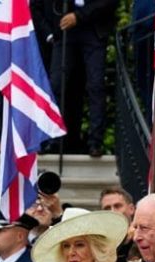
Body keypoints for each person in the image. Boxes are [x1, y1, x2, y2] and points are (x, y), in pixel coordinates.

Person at [44, 0, 115, 157]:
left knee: (95, 86)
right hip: (65, 29)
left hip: (94, 28)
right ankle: (53, 139)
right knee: (57, 84)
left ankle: (95, 142)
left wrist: (79, 16)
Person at [99, 186, 143, 262]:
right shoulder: (99, 244)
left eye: (117, 206)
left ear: (131, 209)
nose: (112, 212)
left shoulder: (142, 238)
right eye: (107, 208)